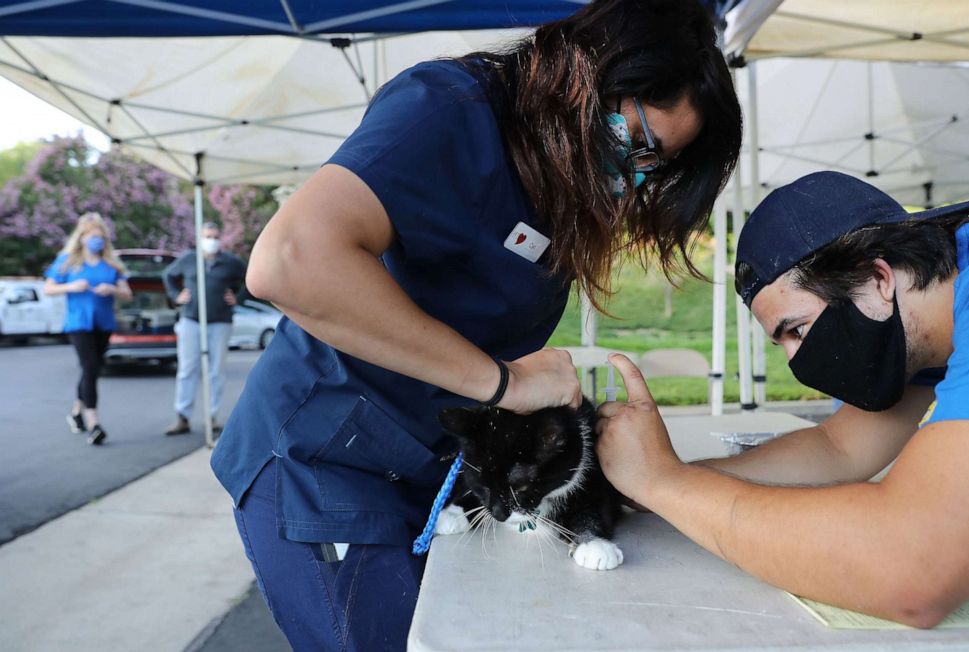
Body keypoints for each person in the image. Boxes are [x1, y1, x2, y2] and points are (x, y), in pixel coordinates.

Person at [209, 1, 743, 649]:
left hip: (436, 470)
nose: (632, 179)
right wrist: (503, 383)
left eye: (655, 168)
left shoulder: (559, 183)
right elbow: (291, 263)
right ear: (590, 72)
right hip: (323, 453)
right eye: (636, 145)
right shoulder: (448, 111)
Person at [596, 171, 969, 629]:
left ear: (878, 276)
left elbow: (917, 569)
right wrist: (653, 478)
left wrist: (665, 484)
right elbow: (838, 449)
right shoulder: (937, 319)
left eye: (797, 329)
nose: (796, 359)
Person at [43, 212, 132, 445]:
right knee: (90, 366)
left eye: (100, 236)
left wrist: (111, 289)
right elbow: (48, 288)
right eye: (93, 236)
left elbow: (127, 294)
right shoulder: (67, 262)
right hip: (79, 323)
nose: (97, 241)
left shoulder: (111, 264)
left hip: (103, 323)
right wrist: (71, 286)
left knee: (91, 369)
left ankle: (76, 412)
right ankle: (94, 423)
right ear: (82, 237)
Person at [162, 222, 247, 435]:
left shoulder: (231, 263)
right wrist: (176, 296)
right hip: (191, 319)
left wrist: (239, 298)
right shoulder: (189, 259)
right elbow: (168, 276)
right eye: (208, 236)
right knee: (187, 370)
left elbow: (251, 279)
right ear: (200, 238)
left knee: (215, 371)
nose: (211, 240)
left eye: (215, 236)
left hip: (220, 321)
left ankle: (212, 416)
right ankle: (183, 416)